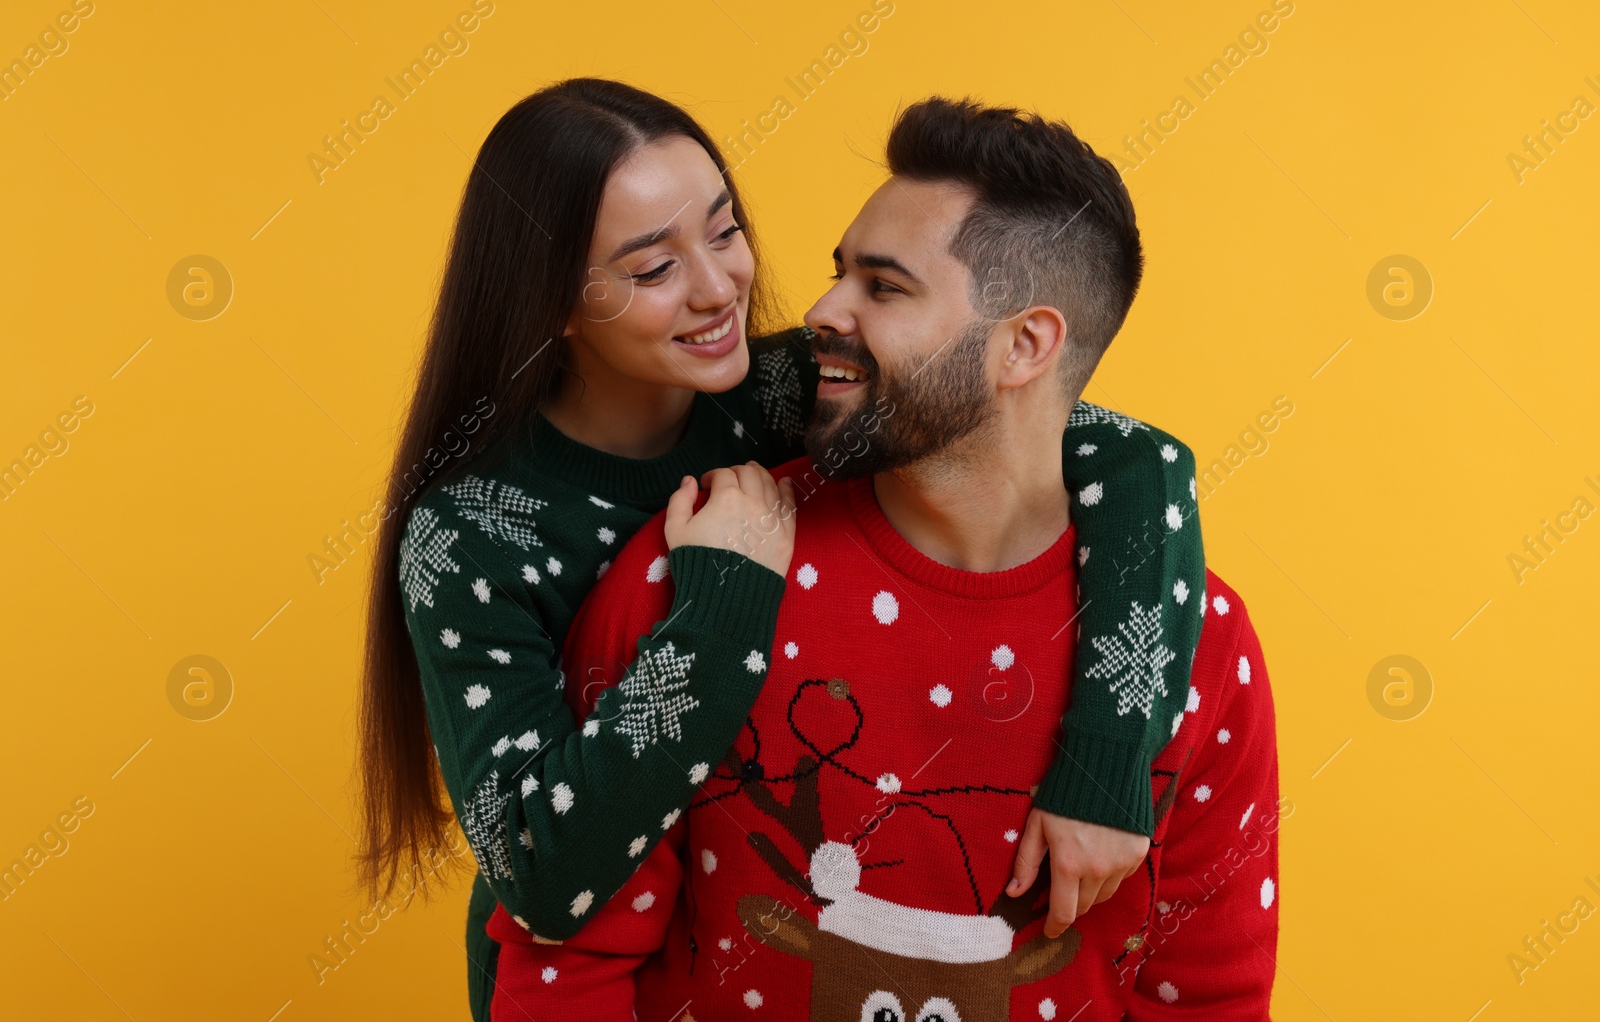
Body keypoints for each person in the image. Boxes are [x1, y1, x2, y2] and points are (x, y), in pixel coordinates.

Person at [356, 80, 1209, 1021]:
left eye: (723, 232)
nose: (721, 287)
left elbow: (1135, 455)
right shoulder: (471, 532)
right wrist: (721, 611)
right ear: (552, 300)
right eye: (652, 270)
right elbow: (542, 871)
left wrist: (1107, 760)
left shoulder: (774, 392)